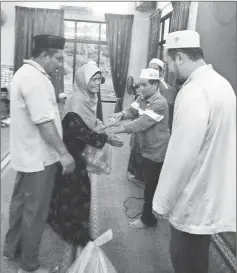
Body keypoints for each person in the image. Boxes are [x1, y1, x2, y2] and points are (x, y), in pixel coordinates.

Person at [152, 30, 236, 273]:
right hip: (213, 192)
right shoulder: (222, 84)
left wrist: (162, 202)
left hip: (193, 197)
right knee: (198, 258)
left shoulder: (194, 92)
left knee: (185, 259)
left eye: (169, 62)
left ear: (179, 57)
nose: (170, 69)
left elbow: (182, 154)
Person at [3, 35, 76, 273]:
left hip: (25, 155)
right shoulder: (36, 80)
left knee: (20, 205)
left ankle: (10, 249)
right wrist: (64, 154)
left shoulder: (24, 74)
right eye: (58, 58)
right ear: (44, 55)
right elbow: (44, 123)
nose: (60, 64)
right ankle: (29, 266)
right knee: (35, 212)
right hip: (40, 159)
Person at [47, 63, 124, 272]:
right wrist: (106, 138)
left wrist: (99, 126)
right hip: (69, 152)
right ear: (83, 80)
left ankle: (64, 222)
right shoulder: (76, 100)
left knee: (71, 190)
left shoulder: (89, 98)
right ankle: (75, 231)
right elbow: (80, 130)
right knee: (78, 191)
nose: (97, 83)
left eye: (100, 79)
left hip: (77, 151)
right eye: (93, 79)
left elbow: (89, 124)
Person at [108, 68, 170, 229]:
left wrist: (117, 129)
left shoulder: (159, 103)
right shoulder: (142, 97)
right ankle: (157, 211)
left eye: (144, 85)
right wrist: (120, 115)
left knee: (150, 187)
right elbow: (131, 110)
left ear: (155, 84)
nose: (140, 88)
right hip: (147, 147)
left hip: (157, 150)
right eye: (139, 84)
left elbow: (140, 123)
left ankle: (147, 219)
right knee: (150, 184)